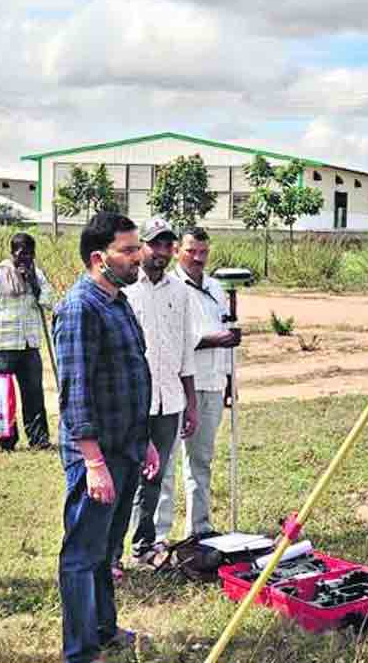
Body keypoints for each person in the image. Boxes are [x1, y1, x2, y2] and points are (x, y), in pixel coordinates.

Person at [54, 212, 160, 663]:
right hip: (96, 456)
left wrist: (146, 440)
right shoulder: (80, 307)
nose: (141, 256)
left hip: (126, 446)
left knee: (105, 549)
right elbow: (74, 392)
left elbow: (131, 374)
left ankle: (104, 628)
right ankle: (80, 651)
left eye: (138, 248)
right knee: (82, 553)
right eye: (130, 250)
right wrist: (93, 462)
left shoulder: (116, 300)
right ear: (100, 258)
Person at [122, 218, 199, 567]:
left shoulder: (179, 292)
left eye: (168, 246)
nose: (162, 253)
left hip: (169, 400)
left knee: (155, 476)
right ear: (142, 247)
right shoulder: (125, 290)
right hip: (133, 402)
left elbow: (185, 351)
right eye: (156, 245)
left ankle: (143, 545)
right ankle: (110, 551)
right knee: (126, 474)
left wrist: (191, 403)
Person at [158, 226, 239, 542]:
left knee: (201, 460)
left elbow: (226, 333)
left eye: (203, 252)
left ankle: (199, 529)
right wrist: (212, 340)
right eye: (191, 251)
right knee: (165, 465)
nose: (198, 258)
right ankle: (158, 536)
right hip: (176, 387)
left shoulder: (216, 288)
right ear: (178, 250)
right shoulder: (169, 287)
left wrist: (229, 380)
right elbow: (168, 339)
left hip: (212, 384)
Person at [0, 232, 55, 450]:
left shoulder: (37, 275)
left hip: (29, 345)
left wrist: (33, 284)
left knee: (34, 395)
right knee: (3, 395)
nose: (25, 258)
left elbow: (49, 301)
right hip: (2, 345)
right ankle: (6, 441)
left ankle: (39, 439)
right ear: (12, 253)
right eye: (21, 253)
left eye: (29, 254)